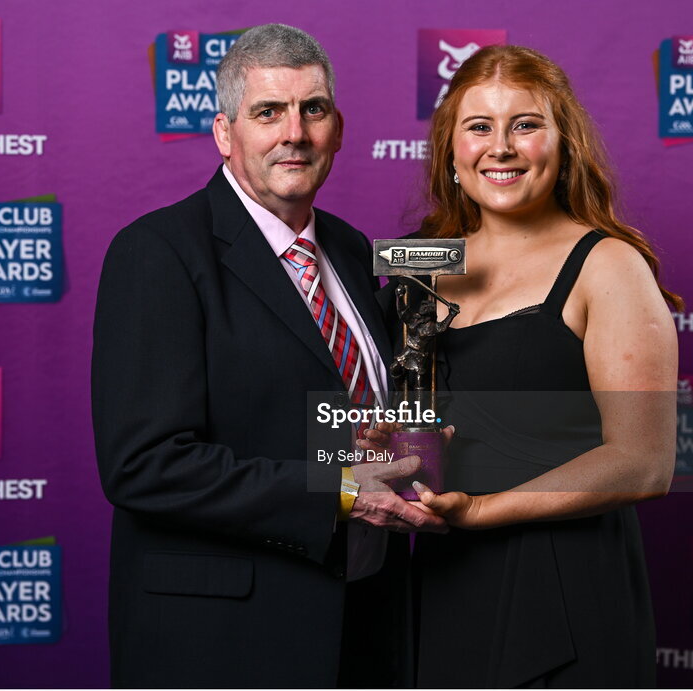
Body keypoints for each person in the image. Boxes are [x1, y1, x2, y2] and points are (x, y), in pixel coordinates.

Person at [91, 24, 443, 688]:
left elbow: (360, 413)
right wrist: (337, 491)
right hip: (226, 642)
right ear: (226, 133)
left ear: (337, 128)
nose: (295, 132)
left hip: (365, 624)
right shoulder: (159, 252)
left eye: (312, 109)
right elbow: (143, 465)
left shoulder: (351, 249)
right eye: (268, 112)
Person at [368, 45, 681, 687]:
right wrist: (356, 457)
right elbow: (395, 428)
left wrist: (481, 511)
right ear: (450, 152)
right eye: (479, 126)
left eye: (526, 125)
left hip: (562, 586)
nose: (500, 147)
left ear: (562, 144)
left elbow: (645, 460)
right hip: (438, 579)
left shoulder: (608, 264)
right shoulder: (417, 262)